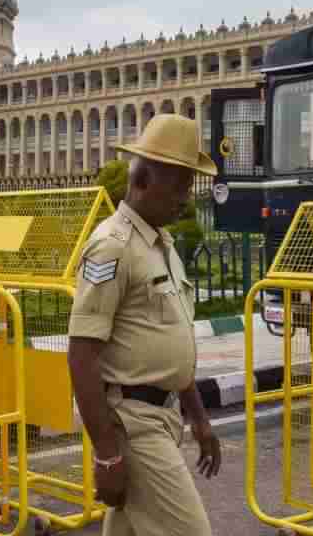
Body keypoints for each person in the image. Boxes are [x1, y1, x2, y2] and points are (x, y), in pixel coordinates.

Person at [67, 114, 222, 536]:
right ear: (145, 180)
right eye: (180, 187)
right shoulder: (111, 247)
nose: (186, 200)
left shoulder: (161, 246)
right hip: (133, 425)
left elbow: (171, 341)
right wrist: (107, 454)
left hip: (164, 417)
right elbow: (82, 356)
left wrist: (199, 418)